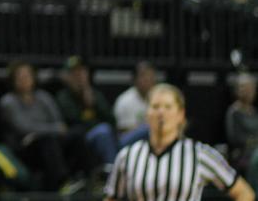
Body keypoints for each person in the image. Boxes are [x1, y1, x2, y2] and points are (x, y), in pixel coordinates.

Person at [104, 83, 253, 201]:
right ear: (147, 114)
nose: (161, 113)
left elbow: (244, 193)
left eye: (168, 107)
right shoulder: (128, 156)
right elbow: (112, 197)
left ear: (181, 115)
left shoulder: (200, 154)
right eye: (155, 107)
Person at [0, 61, 92, 191]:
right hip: (25, 147)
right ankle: (63, 183)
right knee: (46, 140)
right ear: (13, 80)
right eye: (20, 77)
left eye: (27, 76)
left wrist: (42, 132)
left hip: (48, 140)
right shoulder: (8, 101)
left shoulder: (43, 97)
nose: (24, 80)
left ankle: (87, 178)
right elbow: (23, 127)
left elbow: (59, 122)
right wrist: (50, 130)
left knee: (77, 133)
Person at [53, 55, 118, 165]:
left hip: (107, 136)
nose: (79, 77)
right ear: (67, 77)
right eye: (75, 74)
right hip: (81, 141)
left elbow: (112, 121)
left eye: (82, 72)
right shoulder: (62, 97)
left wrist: (95, 104)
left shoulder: (96, 95)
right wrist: (87, 104)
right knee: (103, 130)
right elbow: (73, 121)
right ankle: (111, 172)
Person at [115, 61, 157, 146]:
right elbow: (124, 131)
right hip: (126, 141)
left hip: (150, 139)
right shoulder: (125, 100)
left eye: (151, 76)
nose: (148, 79)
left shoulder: (158, 97)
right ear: (135, 79)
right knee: (149, 128)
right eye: (144, 76)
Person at [227, 74, 258, 174]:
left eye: (251, 88)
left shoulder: (254, 111)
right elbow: (235, 139)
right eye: (245, 88)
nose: (249, 92)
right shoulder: (234, 112)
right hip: (243, 155)